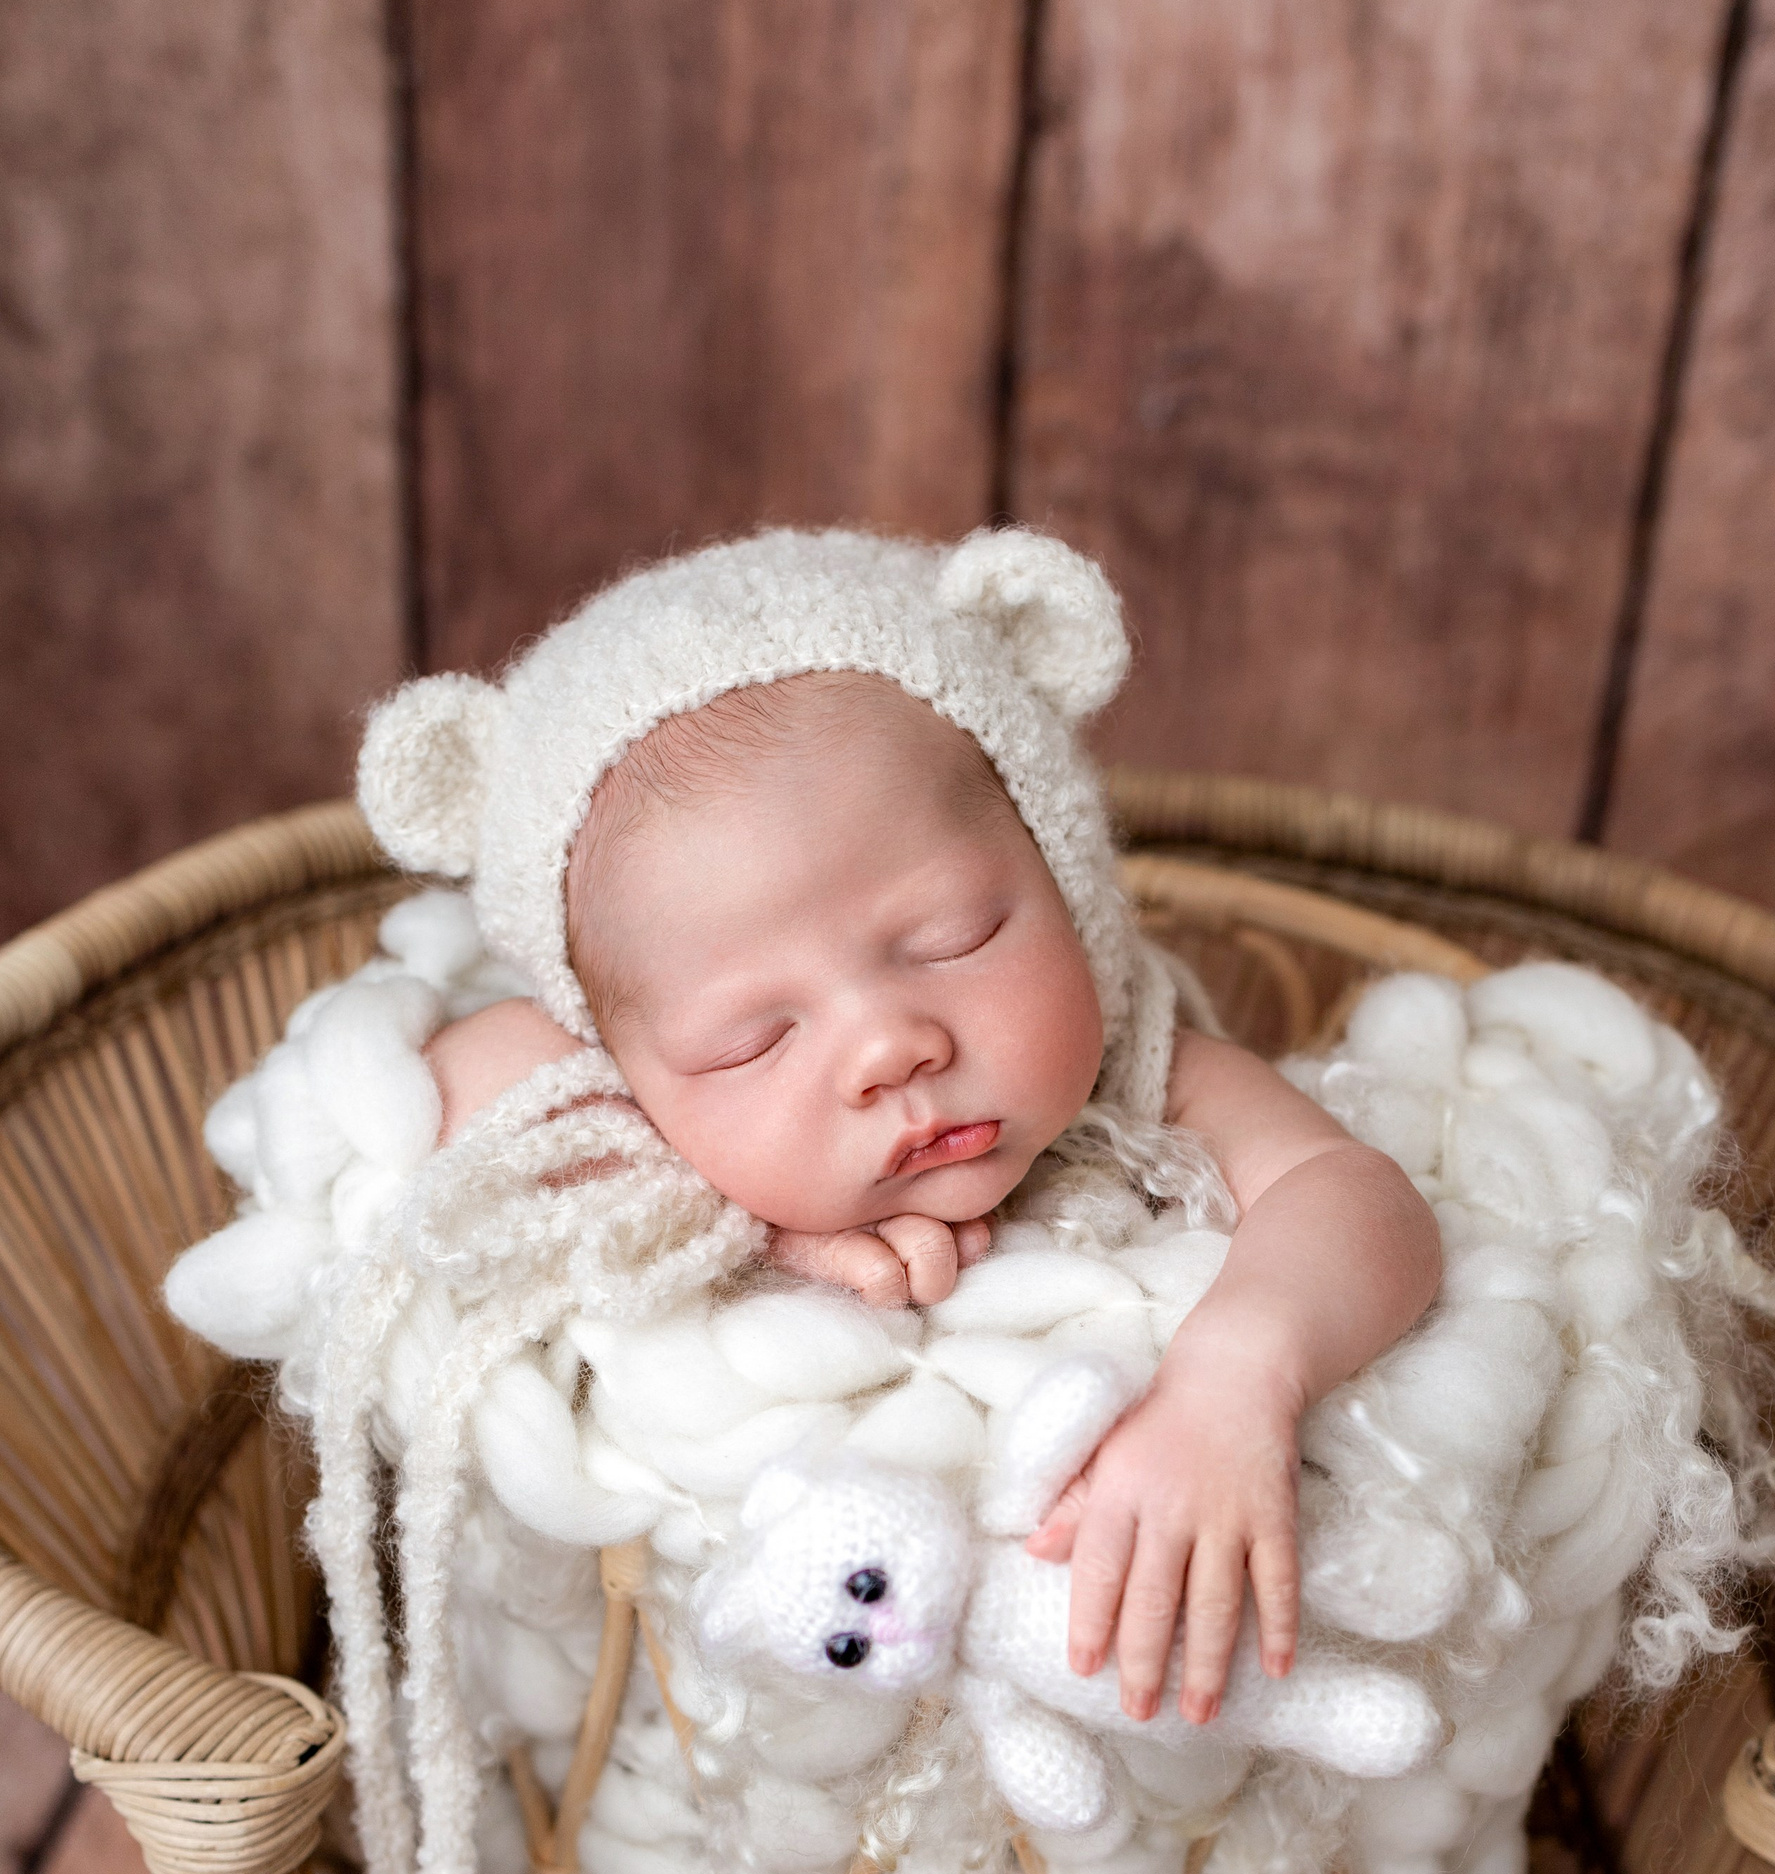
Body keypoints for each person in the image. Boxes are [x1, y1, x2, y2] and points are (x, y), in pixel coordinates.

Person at [362, 527, 1442, 1739]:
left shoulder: (1140, 1070)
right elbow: (447, 1092)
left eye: (954, 938)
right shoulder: (638, 1115)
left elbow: (1357, 1196)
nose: (889, 1046)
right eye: (752, 1040)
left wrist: (1241, 1372)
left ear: (1066, 880)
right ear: (625, 1069)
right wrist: (753, 1230)